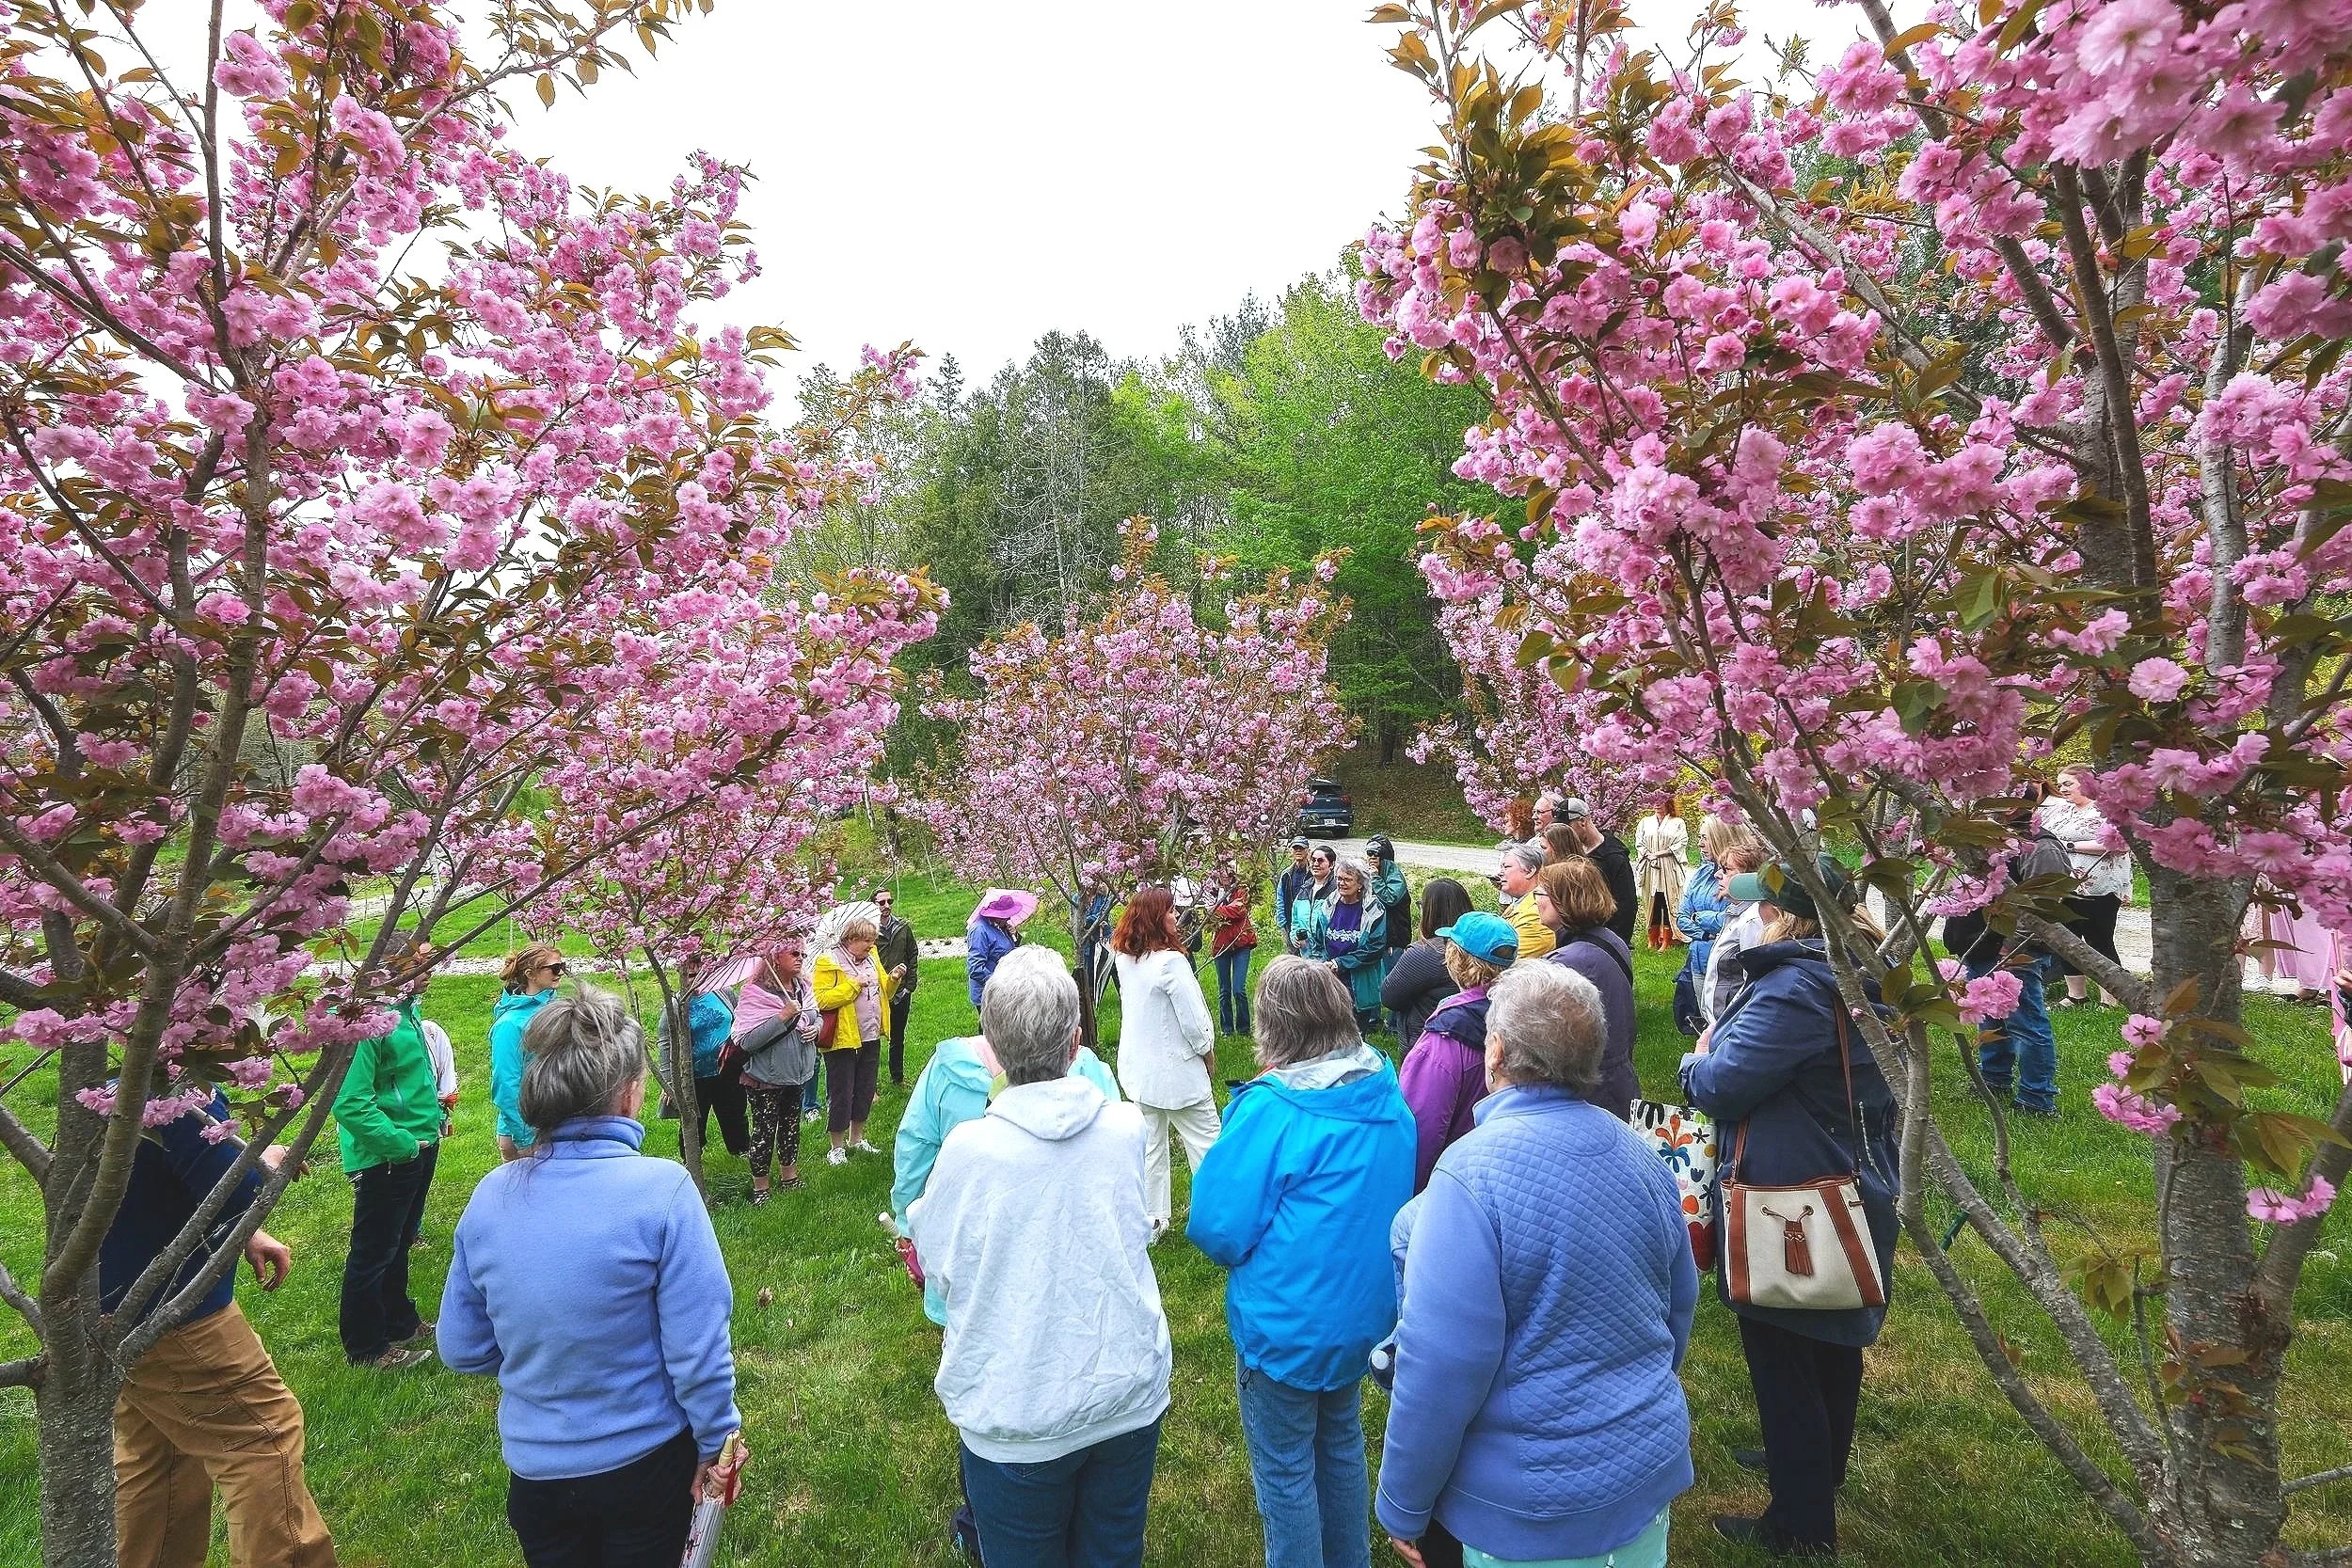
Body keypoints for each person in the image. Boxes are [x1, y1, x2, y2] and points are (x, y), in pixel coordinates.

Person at [1380, 963, 1698, 1568]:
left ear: (1495, 1050)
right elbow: (1679, 1305)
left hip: (1528, 1512)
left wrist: (1403, 1501)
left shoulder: (1469, 1176)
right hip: (1644, 1470)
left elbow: (1440, 1365)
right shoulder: (1646, 1158)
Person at [440, 986, 745, 1568]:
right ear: (630, 1093)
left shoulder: (488, 1198)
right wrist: (716, 1441)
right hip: (646, 1467)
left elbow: (460, 1347)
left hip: (535, 1477)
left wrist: (549, 1353)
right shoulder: (666, 1190)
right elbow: (698, 1350)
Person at [906, 950, 1171, 1568]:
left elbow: (939, 1261)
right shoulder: (1126, 1127)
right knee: (1113, 1553)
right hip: (1124, 1390)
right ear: (1077, 1042)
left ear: (991, 1049)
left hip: (1017, 1410)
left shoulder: (970, 1151)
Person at [1680, 858, 1899, 1559]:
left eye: (1765, 906)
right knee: (1831, 1338)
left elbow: (1722, 1083)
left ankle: (1800, 1523)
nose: (1755, 916)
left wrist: (1696, 1057)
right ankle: (1817, 1463)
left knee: (1784, 1353)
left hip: (1793, 1194)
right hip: (1849, 1174)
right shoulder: (1862, 971)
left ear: (1791, 914)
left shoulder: (1797, 987)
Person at [1190, 958, 1416, 1568]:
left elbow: (1215, 1226)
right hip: (1363, 1319)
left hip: (1285, 1329)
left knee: (1287, 1468)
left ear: (1274, 1025)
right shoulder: (1385, 1091)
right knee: (1340, 1441)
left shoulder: (1274, 1109)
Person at [103, 1092, 334, 1568]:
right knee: (262, 1437)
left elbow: (146, 1181)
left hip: (110, 1300)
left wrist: (242, 1232)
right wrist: (259, 1161)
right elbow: (233, 1187)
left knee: (160, 1456)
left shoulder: (109, 1066)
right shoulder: (170, 1075)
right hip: (173, 1317)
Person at [892, 946, 1124, 1324]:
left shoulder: (949, 1081)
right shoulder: (1093, 1076)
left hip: (979, 1271)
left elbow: (916, 1147)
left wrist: (907, 1222)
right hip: (1076, 1267)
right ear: (1073, 1037)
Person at [1944, 788, 2074, 1116]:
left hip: (2013, 952)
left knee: (2027, 1025)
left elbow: (2043, 907)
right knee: (1990, 1018)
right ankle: (1994, 1080)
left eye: (2001, 803)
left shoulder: (2041, 849)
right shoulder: (1991, 841)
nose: (1992, 810)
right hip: (1981, 946)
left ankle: (2037, 1098)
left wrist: (2010, 947)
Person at [331, 996, 442, 1369]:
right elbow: (349, 1102)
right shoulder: (364, 1022)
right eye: (421, 961)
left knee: (399, 1241)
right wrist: (400, 1145)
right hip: (386, 1155)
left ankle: (400, 1322)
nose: (431, 968)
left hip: (418, 1144)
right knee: (373, 1252)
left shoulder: (406, 1010)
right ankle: (366, 1347)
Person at [1113, 884, 1222, 1237]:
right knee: (1207, 1145)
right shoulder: (1171, 964)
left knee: (1151, 1148)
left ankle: (1153, 1220)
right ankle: (1217, 1217)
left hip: (1139, 1072)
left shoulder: (1125, 959)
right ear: (1155, 919)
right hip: (1177, 1075)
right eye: (1170, 911)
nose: (1176, 916)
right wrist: (1207, 1050)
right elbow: (1193, 1020)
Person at [1398, 911, 1516, 1192]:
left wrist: (1408, 1192)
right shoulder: (1521, 1016)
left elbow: (1419, 1128)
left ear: (1457, 959)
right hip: (1498, 1169)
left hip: (1449, 1180)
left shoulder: (1443, 1040)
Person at [1535, 857, 1641, 1118]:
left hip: (1587, 1094)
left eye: (1541, 892)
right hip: (1618, 1078)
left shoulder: (1567, 962)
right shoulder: (1610, 940)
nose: (1536, 899)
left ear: (1565, 899)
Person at [737, 942, 820, 1204]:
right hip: (766, 1078)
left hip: (797, 1072)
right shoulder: (754, 993)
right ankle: (760, 1189)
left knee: (791, 1125)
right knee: (764, 1130)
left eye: (803, 954)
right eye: (794, 953)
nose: (801, 958)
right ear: (775, 956)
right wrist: (782, 1017)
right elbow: (746, 1041)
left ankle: (789, 1177)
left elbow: (817, 1015)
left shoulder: (803, 988)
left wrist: (817, 1026)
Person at [814, 910, 898, 1165]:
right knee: (841, 1090)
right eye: (867, 941)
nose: (872, 946)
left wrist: (892, 980)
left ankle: (857, 1139)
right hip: (843, 1038)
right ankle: (836, 1147)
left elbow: (885, 990)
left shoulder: (872, 958)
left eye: (873, 941)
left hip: (871, 1033)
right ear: (850, 939)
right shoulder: (829, 962)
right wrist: (853, 985)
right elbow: (821, 999)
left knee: (865, 1087)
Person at [2041, 770, 2129, 1007]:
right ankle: (2075, 996)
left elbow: (2120, 844)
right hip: (2063, 886)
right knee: (2067, 940)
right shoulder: (2062, 810)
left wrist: (2069, 846)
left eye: (2068, 783)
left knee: (2099, 940)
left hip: (2099, 887)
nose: (2063, 789)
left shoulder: (2106, 810)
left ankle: (2110, 998)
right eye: (2060, 785)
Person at [659, 958, 745, 1164]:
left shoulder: (724, 993)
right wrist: (670, 1082)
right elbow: (665, 1043)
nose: (696, 979)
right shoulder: (675, 1005)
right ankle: (691, 1160)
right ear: (681, 975)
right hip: (694, 1076)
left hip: (728, 1070)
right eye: (690, 975)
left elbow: (740, 1021)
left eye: (701, 973)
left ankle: (742, 1151)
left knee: (734, 1114)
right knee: (694, 1122)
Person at [490, 943, 566, 1160]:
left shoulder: (554, 1009)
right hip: (528, 1132)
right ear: (530, 974)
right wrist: (525, 1139)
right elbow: (506, 1085)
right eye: (554, 968)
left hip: (555, 1124)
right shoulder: (510, 1024)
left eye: (562, 966)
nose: (560, 972)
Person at [1381, 877, 1474, 1052]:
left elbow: (1389, 997)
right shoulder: (1476, 947)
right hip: (1470, 1042)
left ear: (1430, 911)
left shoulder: (1425, 953)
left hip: (1427, 1046)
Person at [1298, 857, 1389, 1035]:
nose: (1341, 883)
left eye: (1347, 879)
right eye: (1339, 878)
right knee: (1328, 1036)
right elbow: (1318, 940)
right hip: (1330, 983)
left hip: (1359, 984)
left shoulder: (1374, 910)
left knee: (1355, 1038)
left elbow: (1374, 949)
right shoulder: (1329, 905)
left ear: (1361, 883)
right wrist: (1317, 965)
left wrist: (1340, 963)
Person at [1702, 841, 1772, 1025]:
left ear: (1748, 877)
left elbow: (1753, 983)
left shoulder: (1753, 920)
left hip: (1732, 1025)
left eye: (1726, 870)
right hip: (1719, 1024)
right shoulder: (1736, 913)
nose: (1718, 875)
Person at [1554, 798, 1640, 949]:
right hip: (1577, 939)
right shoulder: (1575, 853)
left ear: (1582, 821)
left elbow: (1627, 906)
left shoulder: (1614, 857)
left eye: (1568, 827)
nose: (1565, 833)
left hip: (1606, 940)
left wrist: (1614, 943)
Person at [1209, 859, 1261, 1037]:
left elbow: (1239, 911)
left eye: (1228, 870)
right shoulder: (1211, 891)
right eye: (1221, 871)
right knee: (1224, 989)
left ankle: (1244, 1028)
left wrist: (1215, 910)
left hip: (1241, 944)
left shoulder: (1241, 890)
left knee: (1239, 988)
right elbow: (1204, 913)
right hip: (1220, 945)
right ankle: (1227, 1029)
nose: (1225, 875)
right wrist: (1215, 908)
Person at [877, 886, 921, 1085]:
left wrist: (909, 986)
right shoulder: (869, 931)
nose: (886, 906)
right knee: (871, 1041)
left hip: (901, 992)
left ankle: (898, 1078)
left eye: (889, 901)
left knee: (898, 1037)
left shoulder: (903, 927)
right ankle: (871, 1085)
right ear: (874, 905)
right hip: (878, 993)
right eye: (881, 902)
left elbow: (913, 954)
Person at [1634, 795, 1690, 951]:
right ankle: (1652, 938)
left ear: (1668, 803)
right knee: (1653, 901)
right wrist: (1648, 854)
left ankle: (1667, 939)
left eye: (1661, 802)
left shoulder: (1677, 822)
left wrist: (1658, 854)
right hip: (1650, 866)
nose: (1657, 805)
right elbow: (1639, 842)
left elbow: (1681, 842)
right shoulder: (1645, 822)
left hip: (1668, 865)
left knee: (1667, 901)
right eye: (1654, 802)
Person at [966, 887, 1037, 1010]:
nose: (1009, 918)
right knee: (989, 1028)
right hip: (988, 992)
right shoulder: (979, 931)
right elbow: (976, 968)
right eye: (1006, 915)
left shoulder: (1002, 927)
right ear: (995, 914)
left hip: (1004, 990)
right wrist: (1000, 983)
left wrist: (1014, 936)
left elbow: (1009, 953)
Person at [1494, 843, 1556, 961]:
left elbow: (1506, 964)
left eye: (1506, 867)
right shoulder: (1521, 902)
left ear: (1530, 871)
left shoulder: (1536, 914)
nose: (1500, 873)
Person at [1367, 834, 1413, 979]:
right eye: (1369, 852)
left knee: (1393, 980)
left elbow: (1391, 898)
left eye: (1377, 853)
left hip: (1393, 939)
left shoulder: (1394, 875)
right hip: (1374, 938)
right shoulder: (1366, 873)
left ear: (1385, 855)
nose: (1373, 856)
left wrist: (1375, 879)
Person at [1289, 846, 1339, 954]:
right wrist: (1294, 935)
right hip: (1307, 955)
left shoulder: (1337, 890)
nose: (1316, 864)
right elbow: (1295, 920)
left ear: (1332, 864)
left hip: (1329, 956)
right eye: (1313, 860)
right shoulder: (1304, 888)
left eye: (1320, 861)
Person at [1277, 836, 1317, 942]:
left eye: (1301, 848)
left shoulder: (1314, 873)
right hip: (1290, 922)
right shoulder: (1286, 874)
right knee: (1292, 956)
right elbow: (1280, 898)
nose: (1298, 851)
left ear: (1308, 851)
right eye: (1295, 848)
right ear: (1291, 851)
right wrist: (1282, 922)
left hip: (1309, 922)